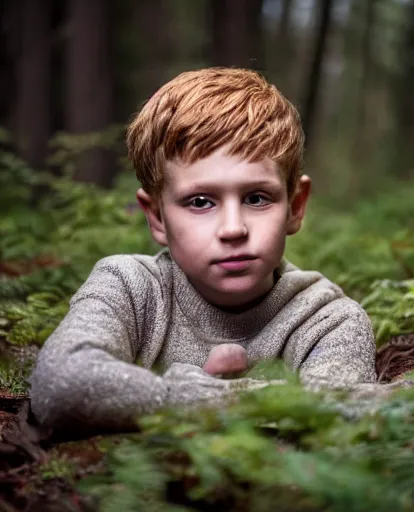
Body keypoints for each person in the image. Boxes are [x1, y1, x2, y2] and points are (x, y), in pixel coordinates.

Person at [30, 68, 376, 433]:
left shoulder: (327, 321)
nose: (232, 229)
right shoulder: (131, 289)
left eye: (257, 198)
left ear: (295, 206)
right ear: (157, 218)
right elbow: (62, 383)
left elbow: (340, 419)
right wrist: (205, 396)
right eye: (199, 202)